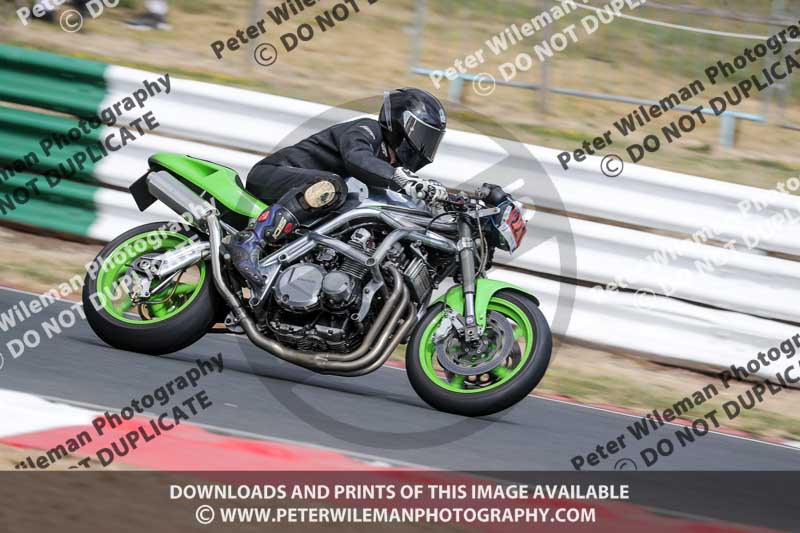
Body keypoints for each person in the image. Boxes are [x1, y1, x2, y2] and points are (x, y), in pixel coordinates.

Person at [230, 87, 449, 298]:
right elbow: (357, 157)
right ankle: (250, 240)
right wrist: (401, 178)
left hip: (309, 203)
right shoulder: (368, 130)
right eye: (424, 136)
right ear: (402, 124)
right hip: (273, 175)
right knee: (332, 186)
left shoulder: (388, 167)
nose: (425, 145)